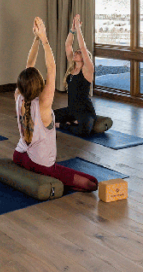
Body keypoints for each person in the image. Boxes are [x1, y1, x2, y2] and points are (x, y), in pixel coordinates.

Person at [12, 17, 98, 192]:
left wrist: (36, 38)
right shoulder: (43, 104)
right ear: (39, 84)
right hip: (42, 164)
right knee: (91, 182)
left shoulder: (18, 96)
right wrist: (43, 39)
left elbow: (29, 65)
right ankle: (66, 124)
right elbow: (51, 69)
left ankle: (69, 124)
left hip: (19, 155)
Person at [54, 13, 99, 136]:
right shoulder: (72, 67)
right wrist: (72, 30)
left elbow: (83, 48)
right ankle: (71, 122)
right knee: (48, 117)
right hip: (71, 110)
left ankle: (65, 124)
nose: (76, 53)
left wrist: (79, 27)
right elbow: (68, 45)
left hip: (85, 112)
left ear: (84, 58)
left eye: (78, 53)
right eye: (76, 52)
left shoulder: (87, 69)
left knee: (83, 131)